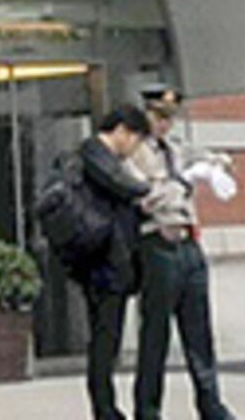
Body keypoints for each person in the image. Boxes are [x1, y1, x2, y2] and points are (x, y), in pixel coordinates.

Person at [127, 86, 235, 420]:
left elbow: (211, 158)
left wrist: (214, 168)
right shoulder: (135, 153)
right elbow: (146, 197)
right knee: (155, 336)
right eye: (158, 116)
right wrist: (184, 182)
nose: (164, 125)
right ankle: (148, 410)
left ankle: (210, 403)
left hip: (189, 246)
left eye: (169, 118)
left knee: (199, 333)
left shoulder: (175, 149)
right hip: (158, 245)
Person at [66, 106, 155, 420]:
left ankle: (107, 407)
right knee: (105, 339)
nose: (134, 148)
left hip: (110, 258)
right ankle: (104, 409)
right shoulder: (95, 153)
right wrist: (152, 190)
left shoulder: (103, 158)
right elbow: (120, 185)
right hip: (101, 263)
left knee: (109, 338)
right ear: (121, 130)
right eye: (135, 139)